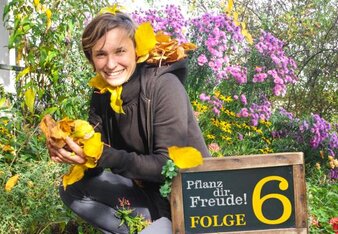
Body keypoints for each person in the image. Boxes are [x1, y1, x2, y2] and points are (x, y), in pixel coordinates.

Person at [47, 7, 210, 234]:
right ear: (91, 60)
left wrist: (106, 156)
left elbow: (167, 167)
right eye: (101, 54)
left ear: (136, 51)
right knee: (72, 188)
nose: (111, 64)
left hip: (190, 204)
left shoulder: (163, 86)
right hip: (147, 199)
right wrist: (73, 152)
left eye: (120, 51)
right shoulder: (102, 94)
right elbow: (97, 157)